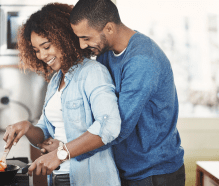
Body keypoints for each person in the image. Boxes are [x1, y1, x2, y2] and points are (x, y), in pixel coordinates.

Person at [39, 0, 185, 186]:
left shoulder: (142, 61)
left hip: (153, 173)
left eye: (86, 38)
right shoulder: (105, 53)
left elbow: (117, 126)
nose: (82, 45)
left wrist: (65, 150)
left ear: (109, 28)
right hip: (125, 168)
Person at [2, 3, 121, 186]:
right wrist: (27, 127)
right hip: (59, 178)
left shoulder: (93, 73)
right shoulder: (56, 80)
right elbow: (45, 134)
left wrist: (60, 153)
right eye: (36, 50)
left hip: (89, 180)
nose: (41, 55)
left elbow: (109, 125)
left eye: (46, 46)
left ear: (64, 37)